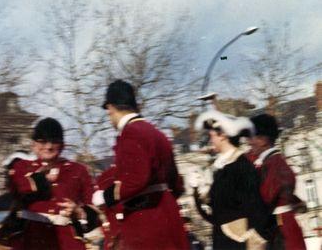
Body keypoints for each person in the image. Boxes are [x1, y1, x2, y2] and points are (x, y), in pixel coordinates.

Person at [92, 79, 189, 250]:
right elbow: (176, 184)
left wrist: (105, 196)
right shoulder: (158, 134)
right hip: (168, 213)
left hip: (146, 218)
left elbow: (136, 179)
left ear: (111, 108)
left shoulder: (130, 133)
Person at [7, 117, 98, 249]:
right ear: (34, 144)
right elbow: (17, 190)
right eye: (42, 142)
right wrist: (42, 177)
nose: (48, 146)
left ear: (62, 145)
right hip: (30, 239)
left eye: (54, 142)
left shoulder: (78, 170)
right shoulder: (21, 167)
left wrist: (78, 211)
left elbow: (95, 209)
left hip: (67, 241)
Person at [192, 110, 273, 250]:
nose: (211, 140)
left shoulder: (241, 167)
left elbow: (257, 211)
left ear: (223, 135)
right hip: (223, 242)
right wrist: (196, 191)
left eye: (212, 136)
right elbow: (216, 217)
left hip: (239, 244)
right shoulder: (222, 169)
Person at [247, 114, 306, 250]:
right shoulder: (272, 161)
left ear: (263, 140)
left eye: (252, 137)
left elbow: (265, 198)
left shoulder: (273, 164)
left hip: (281, 230)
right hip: (280, 227)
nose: (249, 142)